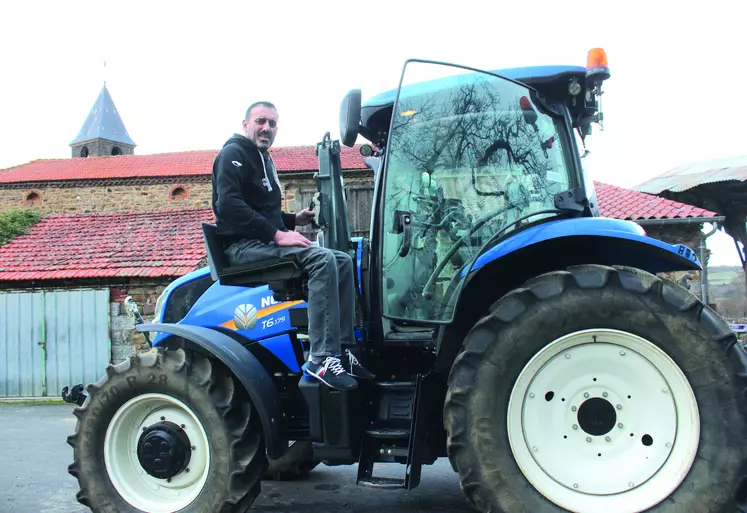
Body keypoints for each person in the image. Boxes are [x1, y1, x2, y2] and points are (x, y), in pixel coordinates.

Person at [211, 101, 374, 390]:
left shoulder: (264, 158)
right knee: (321, 260)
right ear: (245, 124)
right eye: (260, 121)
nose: (267, 128)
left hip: (258, 240)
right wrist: (276, 234)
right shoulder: (234, 153)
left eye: (272, 124)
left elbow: (260, 210)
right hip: (242, 248)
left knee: (342, 260)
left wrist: (292, 220)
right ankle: (321, 358)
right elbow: (229, 205)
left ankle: (344, 350)